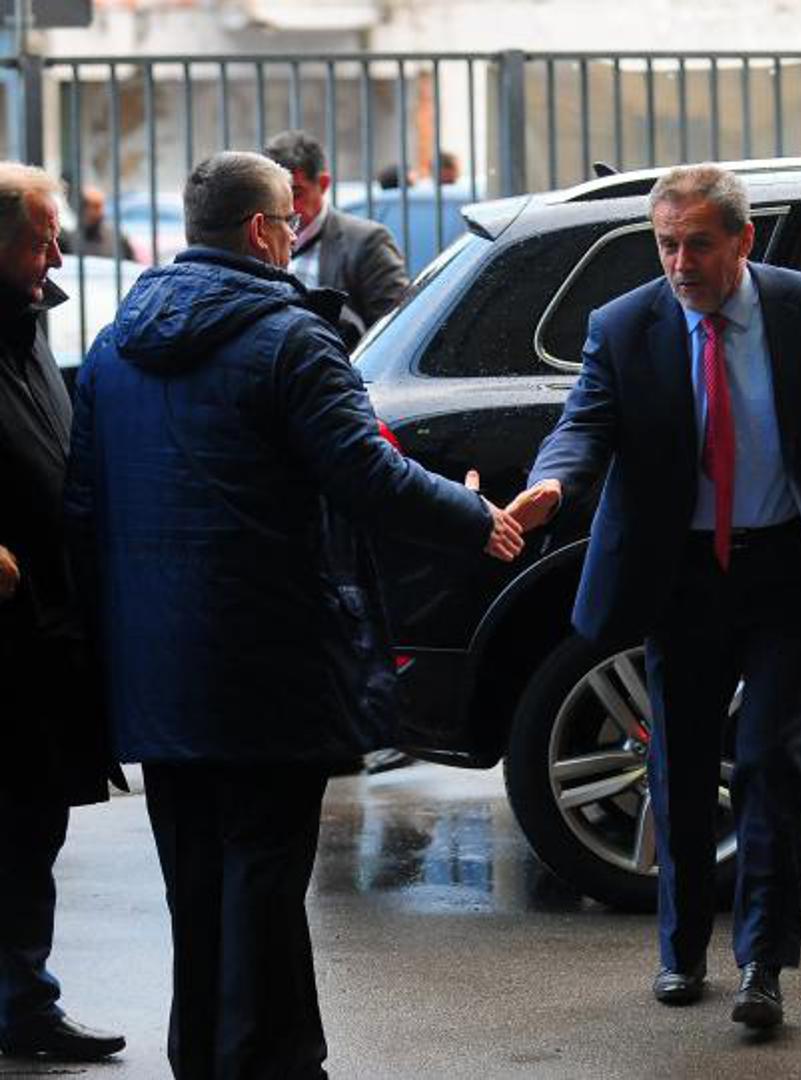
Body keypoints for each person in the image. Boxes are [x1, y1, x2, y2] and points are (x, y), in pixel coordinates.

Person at [61, 150, 524, 1077]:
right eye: (288, 223)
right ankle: (267, 1060)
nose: (295, 238)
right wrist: (479, 518)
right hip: (270, 657)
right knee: (266, 872)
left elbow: (83, 506)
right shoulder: (290, 339)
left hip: (157, 666)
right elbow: (368, 475)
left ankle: (207, 1055)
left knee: (195, 876)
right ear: (262, 232)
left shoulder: (114, 345)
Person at [507, 163, 801, 1031]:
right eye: (667, 245)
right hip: (679, 574)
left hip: (787, 564)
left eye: (699, 245)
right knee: (677, 764)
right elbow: (583, 423)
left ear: (743, 241)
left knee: (772, 761)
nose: (680, 264)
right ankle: (680, 950)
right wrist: (552, 486)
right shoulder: (623, 324)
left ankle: (762, 962)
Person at [0, 164, 126, 1065]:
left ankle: (23, 1002)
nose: (55, 256)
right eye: (38, 241)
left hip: (44, 628)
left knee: (31, 825)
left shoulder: (27, 322)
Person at [264, 130, 409, 349]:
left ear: (323, 184)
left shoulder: (367, 242)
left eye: (296, 193)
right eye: (274, 195)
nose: (285, 206)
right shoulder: (255, 239)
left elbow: (394, 332)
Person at [58, 184, 135, 261]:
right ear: (83, 208)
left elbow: (130, 264)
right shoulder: (69, 241)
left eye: (101, 206)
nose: (100, 212)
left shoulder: (118, 240)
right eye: (95, 207)